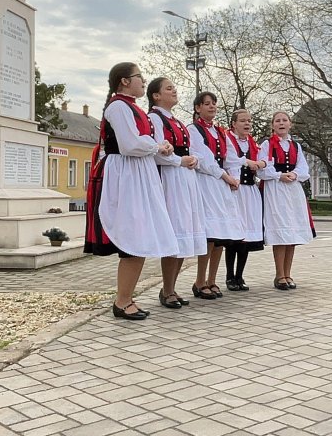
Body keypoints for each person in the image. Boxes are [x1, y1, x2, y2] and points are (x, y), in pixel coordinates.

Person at [82, 63, 178, 320]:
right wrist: (158, 146)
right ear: (124, 81)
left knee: (141, 236)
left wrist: (159, 147)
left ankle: (126, 297)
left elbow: (140, 143)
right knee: (134, 236)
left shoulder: (133, 108)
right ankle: (122, 300)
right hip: (126, 175)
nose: (143, 81)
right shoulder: (117, 107)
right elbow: (128, 144)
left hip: (139, 173)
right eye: (139, 77)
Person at [146, 77, 206, 309]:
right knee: (174, 232)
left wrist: (193, 160)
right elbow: (157, 151)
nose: (174, 90)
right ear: (156, 95)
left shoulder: (177, 121)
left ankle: (170, 288)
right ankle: (167, 289)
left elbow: (191, 149)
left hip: (185, 178)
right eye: (168, 88)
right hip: (170, 178)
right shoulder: (154, 118)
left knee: (183, 232)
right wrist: (181, 160)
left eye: (174, 86)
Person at [188, 92, 244, 300]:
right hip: (205, 182)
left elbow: (231, 157)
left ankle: (212, 279)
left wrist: (234, 177)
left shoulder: (221, 132)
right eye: (207, 104)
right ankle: (199, 280)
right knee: (209, 235)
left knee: (221, 236)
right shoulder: (193, 130)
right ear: (197, 108)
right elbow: (203, 159)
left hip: (221, 186)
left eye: (214, 104)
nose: (212, 107)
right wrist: (225, 176)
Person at [258, 111, 314, 290]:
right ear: (272, 125)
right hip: (275, 190)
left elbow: (304, 168)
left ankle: (288, 273)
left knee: (292, 233)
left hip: (293, 189)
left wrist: (295, 174)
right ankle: (279, 274)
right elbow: (261, 169)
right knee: (280, 232)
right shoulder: (267, 144)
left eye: (284, 120)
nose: (281, 123)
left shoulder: (296, 146)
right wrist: (278, 175)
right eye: (277, 121)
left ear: (290, 124)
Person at [225, 108, 266, 291]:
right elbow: (229, 159)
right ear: (234, 123)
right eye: (242, 121)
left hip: (250, 190)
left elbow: (265, 160)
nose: (247, 124)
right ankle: (229, 276)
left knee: (246, 236)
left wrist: (261, 164)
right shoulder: (228, 139)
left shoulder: (253, 143)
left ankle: (240, 275)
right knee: (234, 235)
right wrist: (247, 162)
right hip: (236, 190)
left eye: (249, 120)